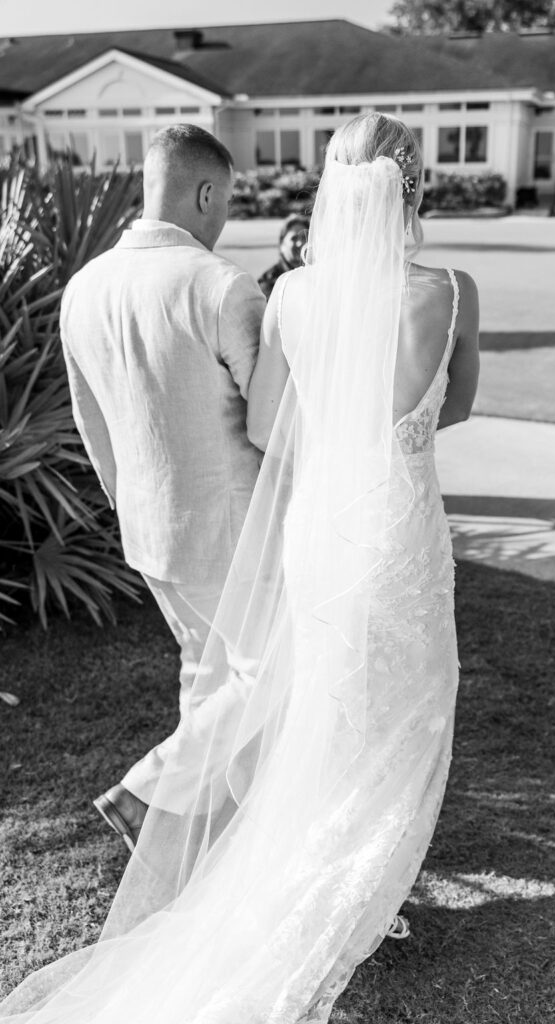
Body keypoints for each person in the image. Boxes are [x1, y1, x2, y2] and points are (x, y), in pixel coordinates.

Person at [0, 113, 479, 1024]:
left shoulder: (282, 293)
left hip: (252, 528)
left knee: (290, 699)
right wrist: (392, 428)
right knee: (383, 709)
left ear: (333, 194)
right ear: (413, 190)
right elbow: (452, 405)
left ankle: (227, 840)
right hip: (392, 521)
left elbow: (263, 427)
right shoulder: (447, 290)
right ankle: (302, 863)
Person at [58, 124, 266, 849]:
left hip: (149, 531)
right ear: (206, 191)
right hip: (233, 530)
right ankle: (146, 792)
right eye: (227, 200)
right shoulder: (220, 285)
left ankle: (208, 839)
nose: (225, 217)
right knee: (272, 675)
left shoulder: (83, 290)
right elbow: (271, 418)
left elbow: (94, 428)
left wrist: (131, 509)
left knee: (208, 683)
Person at [258, 213, 310, 298]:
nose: (300, 243)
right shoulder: (268, 283)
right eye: (294, 238)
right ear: (282, 245)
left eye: (304, 237)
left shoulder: (316, 275)